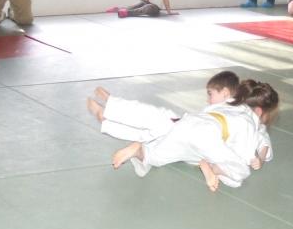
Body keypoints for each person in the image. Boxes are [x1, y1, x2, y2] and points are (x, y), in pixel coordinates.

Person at [111, 80, 278, 192]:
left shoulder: (228, 104)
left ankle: (138, 148)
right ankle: (212, 168)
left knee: (153, 157)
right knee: (240, 173)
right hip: (208, 136)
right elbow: (248, 154)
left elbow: (261, 139)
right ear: (258, 112)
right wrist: (256, 159)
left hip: (188, 123)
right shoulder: (248, 123)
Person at [86, 70, 241, 143]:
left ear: (225, 93)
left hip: (188, 138)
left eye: (210, 94)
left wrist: (255, 157)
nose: (208, 99)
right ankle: (109, 112)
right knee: (151, 123)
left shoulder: (236, 115)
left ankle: (109, 111)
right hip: (184, 127)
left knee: (149, 124)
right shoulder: (225, 109)